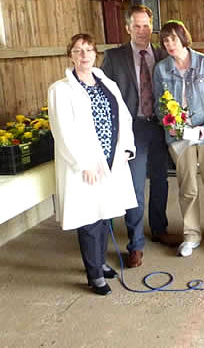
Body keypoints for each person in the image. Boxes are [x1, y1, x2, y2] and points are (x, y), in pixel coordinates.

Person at [48, 34, 137, 296]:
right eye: (78, 50)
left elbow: (124, 117)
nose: (84, 55)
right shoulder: (60, 90)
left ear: (96, 53)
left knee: (103, 214)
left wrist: (126, 148)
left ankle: (100, 262)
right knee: (88, 218)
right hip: (84, 165)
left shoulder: (106, 83)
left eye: (88, 49)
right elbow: (62, 131)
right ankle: (94, 274)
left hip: (110, 160)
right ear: (70, 56)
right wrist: (82, 163)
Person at [101, 5, 176, 269]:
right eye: (137, 26)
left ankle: (159, 228)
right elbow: (105, 96)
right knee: (134, 186)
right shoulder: (114, 57)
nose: (142, 31)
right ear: (127, 28)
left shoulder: (163, 54)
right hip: (132, 128)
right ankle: (135, 244)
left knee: (160, 180)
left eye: (146, 26)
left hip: (160, 126)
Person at [153, 21, 204, 257]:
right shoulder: (161, 69)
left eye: (173, 39)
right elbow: (159, 105)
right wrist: (171, 125)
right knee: (188, 187)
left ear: (183, 38)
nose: (170, 44)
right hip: (179, 136)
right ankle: (191, 235)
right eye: (165, 41)